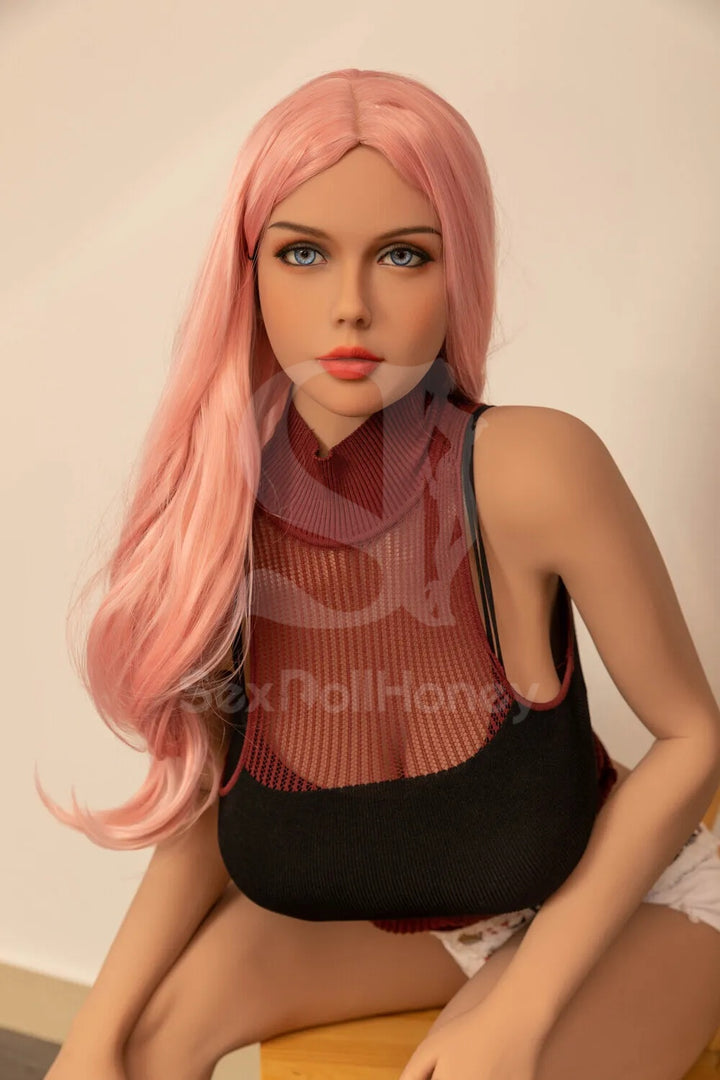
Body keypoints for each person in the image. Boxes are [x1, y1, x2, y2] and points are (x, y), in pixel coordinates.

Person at [41, 69, 720, 1080]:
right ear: (247, 271)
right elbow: (214, 796)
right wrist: (88, 1038)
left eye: (403, 255)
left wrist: (519, 1009)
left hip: (630, 901)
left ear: (459, 270)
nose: (350, 307)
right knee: (135, 1052)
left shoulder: (532, 469)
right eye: (304, 253)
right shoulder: (225, 501)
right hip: (419, 922)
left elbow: (691, 734)